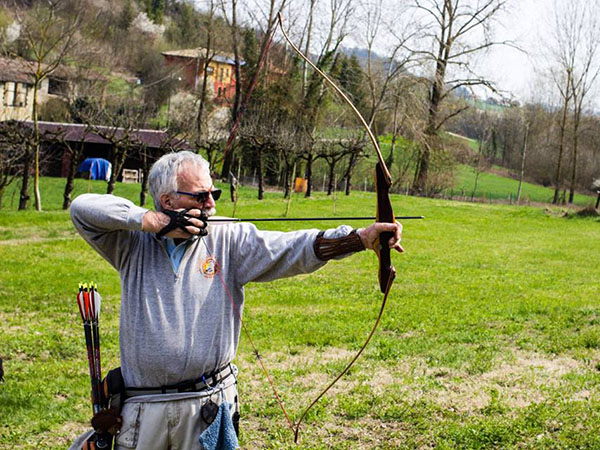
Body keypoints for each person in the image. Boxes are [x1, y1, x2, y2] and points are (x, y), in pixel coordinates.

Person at [69, 151, 402, 449]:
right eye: (201, 197)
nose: (212, 204)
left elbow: (291, 247)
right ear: (167, 201)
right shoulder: (131, 245)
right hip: (143, 409)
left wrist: (359, 239)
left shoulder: (228, 236)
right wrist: (153, 222)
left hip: (205, 405)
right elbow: (82, 209)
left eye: (213, 194)